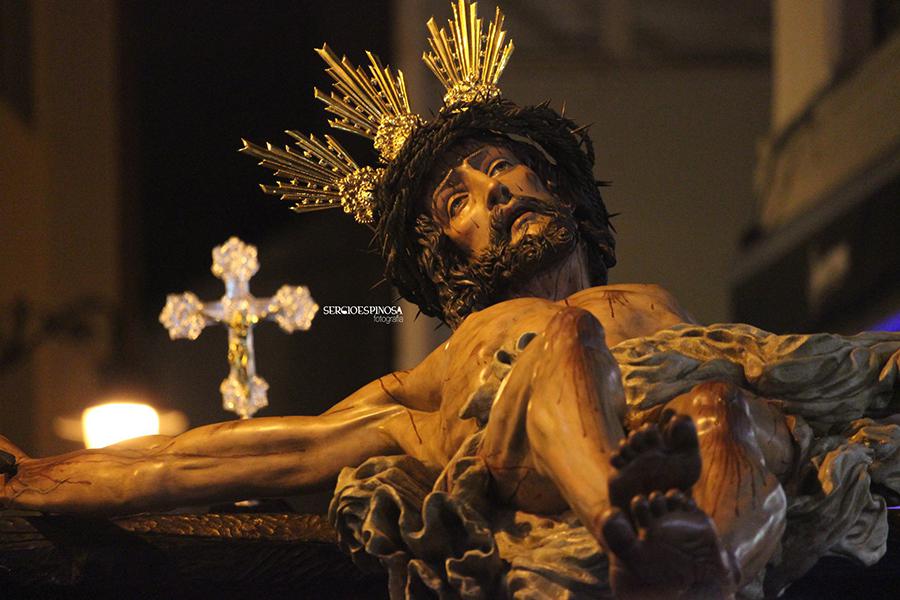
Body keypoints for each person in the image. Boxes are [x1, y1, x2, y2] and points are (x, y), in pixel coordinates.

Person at [3, 4, 900, 598]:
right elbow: (222, 457)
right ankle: (629, 527)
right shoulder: (439, 374)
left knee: (724, 410)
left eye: (503, 168)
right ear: (447, 254)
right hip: (566, 455)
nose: (494, 193)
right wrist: (38, 479)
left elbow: (761, 365)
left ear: (559, 187)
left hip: (692, 464)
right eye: (458, 200)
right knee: (565, 342)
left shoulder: (654, 301)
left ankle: (705, 569)